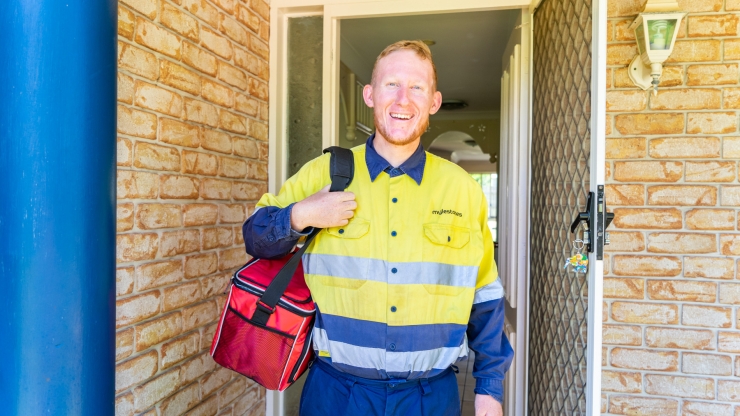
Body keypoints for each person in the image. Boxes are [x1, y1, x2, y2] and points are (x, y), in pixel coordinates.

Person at [243, 40, 513, 416]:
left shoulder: (463, 190)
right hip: (336, 394)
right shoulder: (324, 173)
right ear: (370, 95)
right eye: (392, 84)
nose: (403, 99)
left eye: (417, 87)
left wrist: (489, 388)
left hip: (430, 398)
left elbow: (485, 297)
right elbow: (254, 236)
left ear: (434, 102)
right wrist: (300, 215)